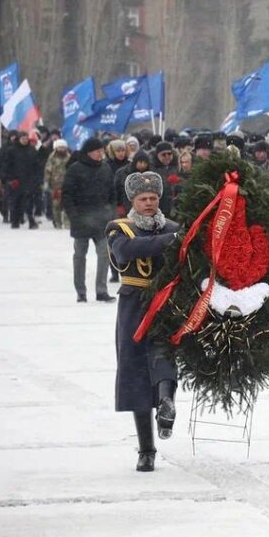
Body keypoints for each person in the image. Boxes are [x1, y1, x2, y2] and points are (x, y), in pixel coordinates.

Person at [105, 171, 181, 472]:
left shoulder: (173, 227)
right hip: (134, 304)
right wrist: (171, 241)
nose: (149, 203)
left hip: (166, 303)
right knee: (135, 372)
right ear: (132, 202)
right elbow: (127, 251)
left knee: (165, 356)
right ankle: (146, 449)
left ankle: (165, 405)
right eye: (142, 199)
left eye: (153, 198)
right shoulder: (120, 228)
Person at [62, 138, 117, 303]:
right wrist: (73, 216)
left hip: (102, 220)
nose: (101, 154)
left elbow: (112, 192)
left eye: (102, 151)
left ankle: (101, 290)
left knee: (104, 254)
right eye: (98, 151)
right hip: (81, 219)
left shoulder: (105, 168)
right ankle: (81, 292)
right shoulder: (75, 169)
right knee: (80, 256)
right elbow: (67, 195)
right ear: (89, 152)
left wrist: (111, 211)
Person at [0, 130, 41, 229]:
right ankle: (15, 221)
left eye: (26, 138)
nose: (25, 140)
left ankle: (31, 220)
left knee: (29, 202)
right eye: (23, 138)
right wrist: (8, 178)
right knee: (15, 201)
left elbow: (37, 165)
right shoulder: (11, 150)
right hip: (15, 181)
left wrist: (38, 178)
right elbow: (6, 165)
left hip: (29, 180)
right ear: (19, 139)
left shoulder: (32, 150)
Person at [44, 139, 71, 229]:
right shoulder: (52, 157)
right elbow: (48, 170)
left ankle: (67, 224)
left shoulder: (69, 157)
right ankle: (57, 223)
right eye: (60, 147)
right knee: (56, 205)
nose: (62, 149)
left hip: (67, 185)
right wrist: (46, 182)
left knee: (67, 205)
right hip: (55, 186)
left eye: (63, 147)